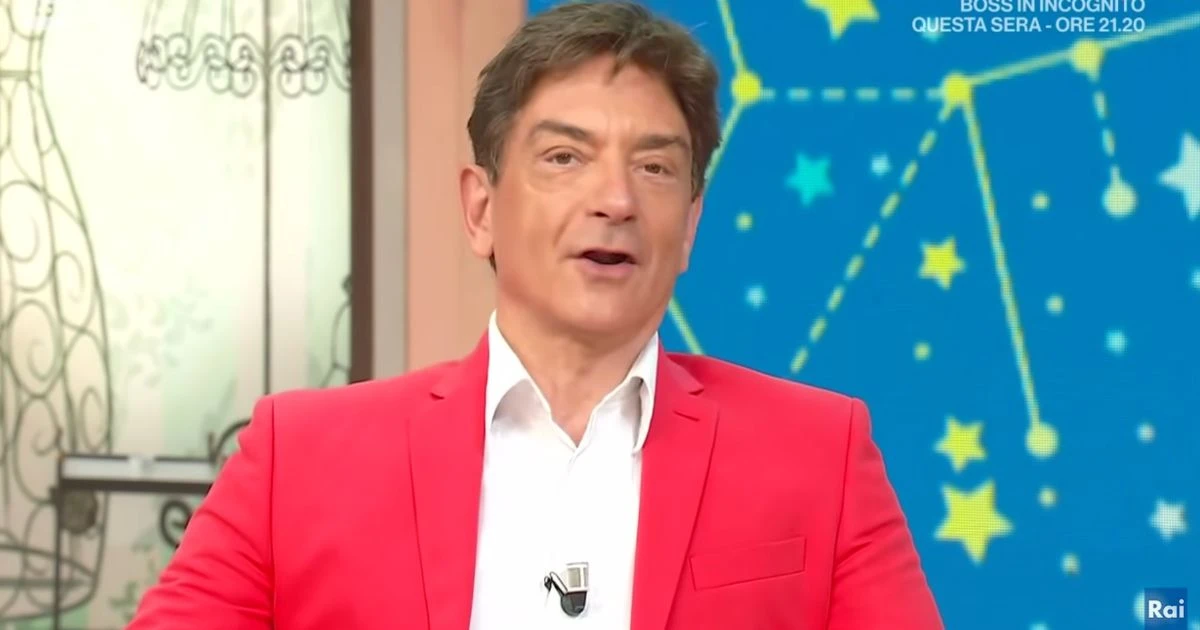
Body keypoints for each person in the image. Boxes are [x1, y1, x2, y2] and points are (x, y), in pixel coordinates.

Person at [127, 2, 944, 628]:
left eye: (656, 168)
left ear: (691, 225)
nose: (616, 200)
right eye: (565, 157)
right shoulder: (298, 460)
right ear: (480, 209)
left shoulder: (819, 455)